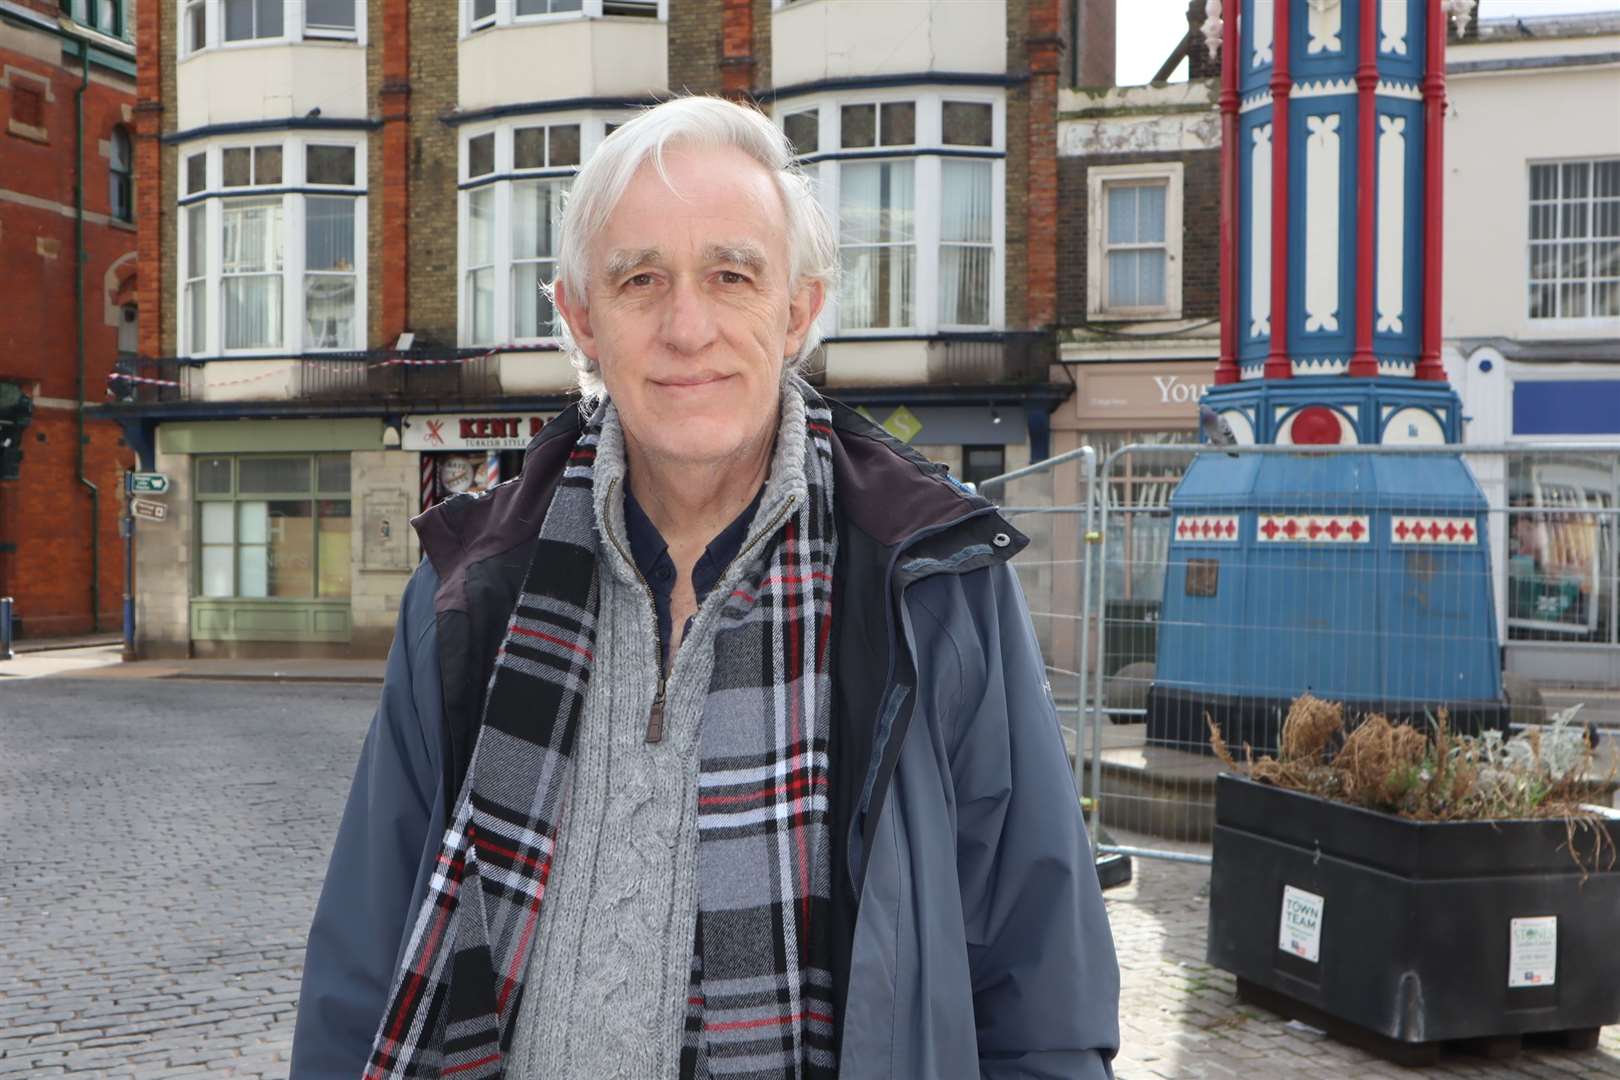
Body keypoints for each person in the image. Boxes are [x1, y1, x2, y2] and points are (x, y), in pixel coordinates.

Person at [290, 94, 1119, 1080]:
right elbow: (364, 954)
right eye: (641, 280)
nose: (689, 328)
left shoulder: (931, 585)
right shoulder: (467, 589)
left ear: (797, 310)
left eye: (732, 275)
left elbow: (1039, 985)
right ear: (581, 319)